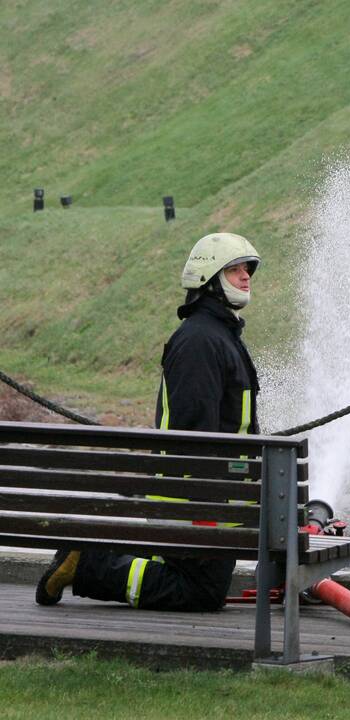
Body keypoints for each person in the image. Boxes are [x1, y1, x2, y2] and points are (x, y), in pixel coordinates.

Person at [36, 232, 263, 612]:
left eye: (246, 270)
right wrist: (206, 512)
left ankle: (97, 551)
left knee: (201, 587)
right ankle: (89, 563)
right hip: (197, 501)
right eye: (234, 270)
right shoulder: (201, 342)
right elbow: (193, 436)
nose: (246, 277)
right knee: (200, 594)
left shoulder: (217, 334)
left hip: (208, 500)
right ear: (209, 280)